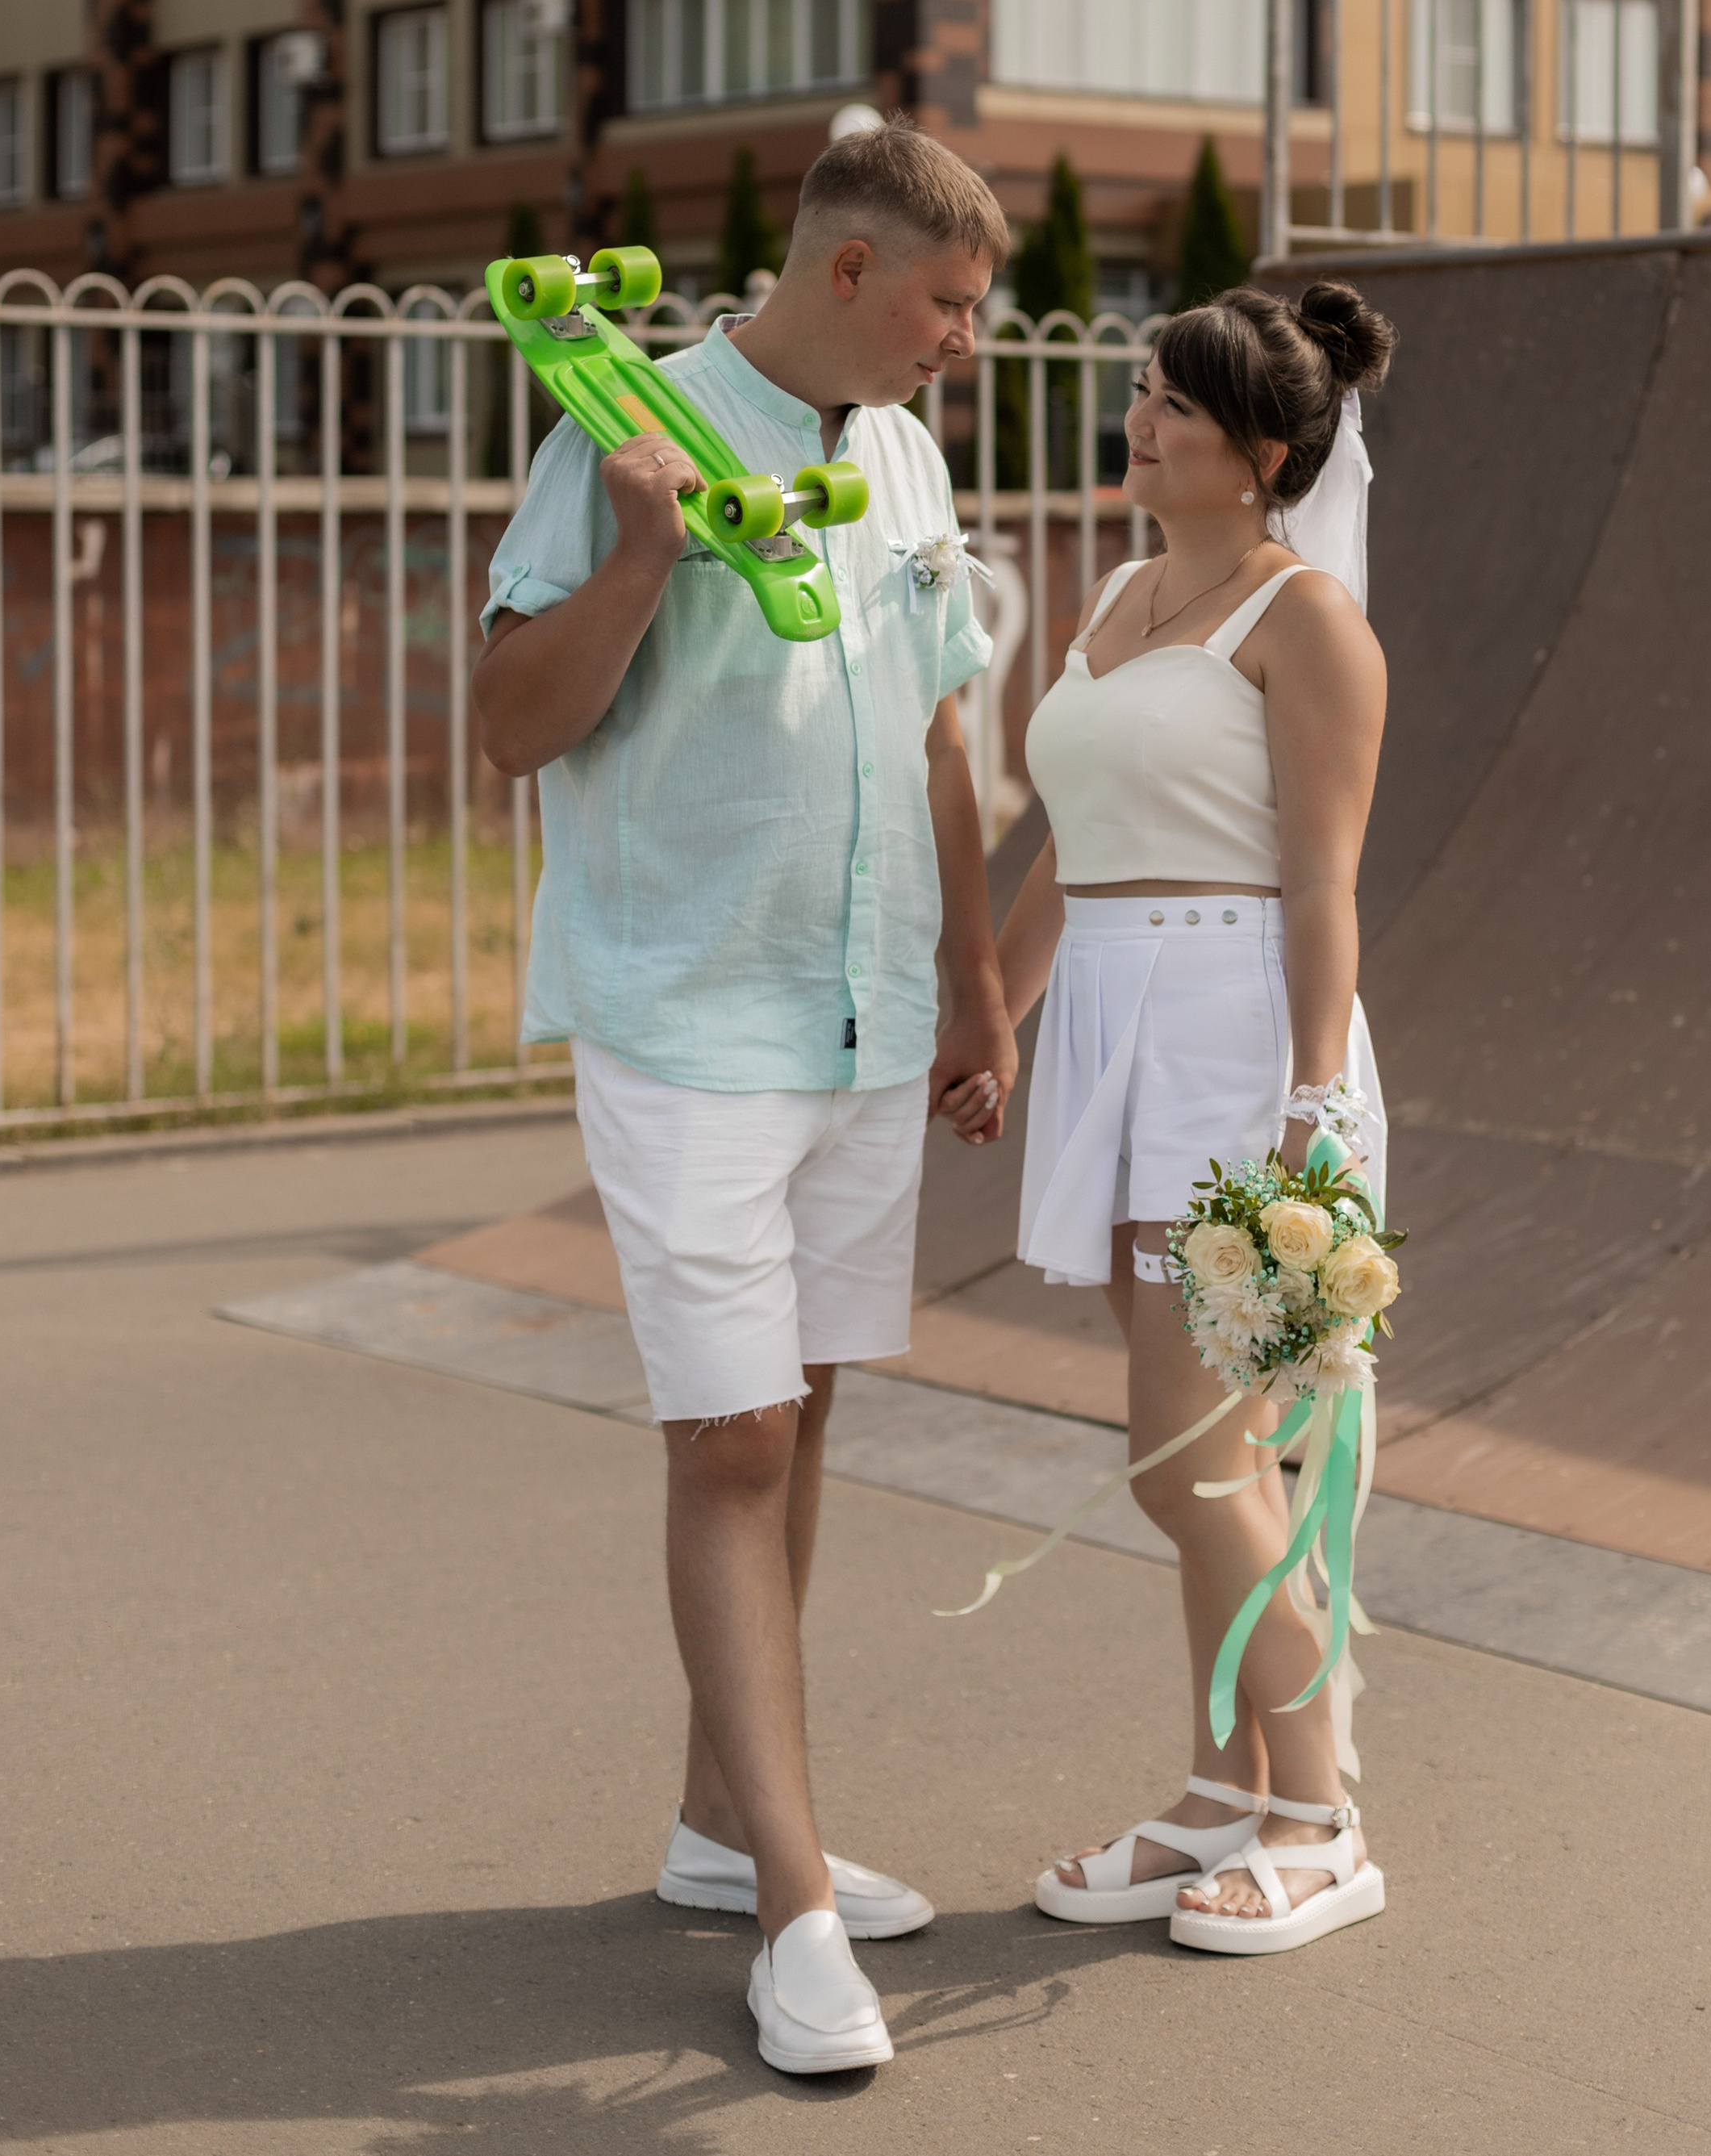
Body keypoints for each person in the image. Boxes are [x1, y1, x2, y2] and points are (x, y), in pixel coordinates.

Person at [473, 123, 1018, 2076]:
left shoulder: (905, 455)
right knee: (729, 1441)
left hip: (863, 1015)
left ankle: (723, 1822)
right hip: (683, 1013)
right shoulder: (620, 429)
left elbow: (940, 727)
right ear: (848, 270)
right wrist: (642, 553)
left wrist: (972, 983)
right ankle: (794, 1910)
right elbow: (510, 724)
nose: (966, 339)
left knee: (799, 1417)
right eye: (949, 302)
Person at [995, 281, 1395, 1958]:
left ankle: (1318, 1816)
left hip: (1232, 1043)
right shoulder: (1119, 595)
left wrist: (1309, 1101)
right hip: (1106, 1025)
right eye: (1143, 387)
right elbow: (1067, 839)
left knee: (1185, 1457)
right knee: (1208, 1457)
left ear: (1265, 454)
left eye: (1175, 402)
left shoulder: (1309, 620)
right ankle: (1224, 1790)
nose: (1139, 419)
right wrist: (996, 1012)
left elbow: (1322, 884)